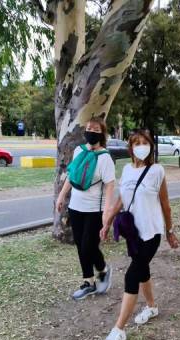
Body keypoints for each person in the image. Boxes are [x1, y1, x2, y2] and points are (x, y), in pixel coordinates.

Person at [99, 129, 180, 340]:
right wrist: (107, 222)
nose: (141, 146)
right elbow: (122, 200)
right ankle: (152, 307)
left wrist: (170, 231)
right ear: (131, 147)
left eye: (145, 142)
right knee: (141, 270)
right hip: (133, 233)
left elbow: (165, 204)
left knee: (132, 274)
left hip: (151, 233)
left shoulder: (157, 171)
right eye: (137, 143)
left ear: (151, 147)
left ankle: (119, 329)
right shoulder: (125, 170)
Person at [56, 117, 116, 300]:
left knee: (88, 245)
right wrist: (61, 196)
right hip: (76, 207)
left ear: (102, 133)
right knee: (81, 245)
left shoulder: (105, 158)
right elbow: (71, 176)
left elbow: (110, 186)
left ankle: (102, 270)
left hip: (94, 210)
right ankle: (89, 281)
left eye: (96, 129)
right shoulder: (78, 151)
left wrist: (107, 212)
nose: (91, 131)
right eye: (89, 128)